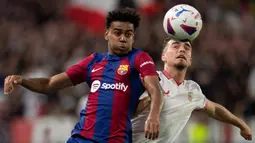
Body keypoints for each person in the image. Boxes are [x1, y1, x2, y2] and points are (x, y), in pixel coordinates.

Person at [4, 8, 163, 143]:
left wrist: (153, 117)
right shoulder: (93, 61)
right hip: (82, 138)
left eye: (128, 34)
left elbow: (155, 90)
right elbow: (49, 83)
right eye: (117, 33)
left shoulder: (139, 58)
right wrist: (22, 80)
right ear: (106, 34)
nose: (123, 38)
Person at [132, 37, 252, 143]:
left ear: (190, 59)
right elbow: (123, 110)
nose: (182, 50)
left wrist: (240, 124)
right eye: (175, 46)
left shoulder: (192, 89)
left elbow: (214, 109)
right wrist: (150, 100)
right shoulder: (151, 80)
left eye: (187, 47)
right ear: (164, 56)